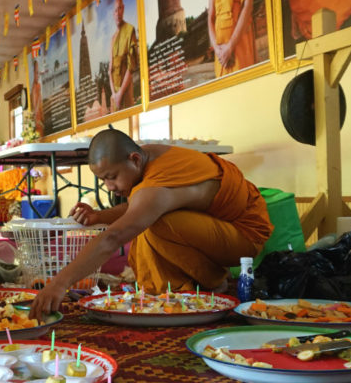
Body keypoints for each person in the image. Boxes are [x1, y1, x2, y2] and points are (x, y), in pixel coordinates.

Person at [30, 129, 273, 318]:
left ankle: (208, 283)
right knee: (151, 219)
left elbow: (116, 235)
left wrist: (60, 283)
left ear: (134, 159)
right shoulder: (149, 157)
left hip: (244, 238)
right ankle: (189, 284)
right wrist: (100, 216)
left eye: (111, 177)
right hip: (216, 228)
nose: (110, 187)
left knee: (154, 223)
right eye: (103, 180)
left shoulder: (156, 184)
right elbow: (145, 204)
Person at [108, 0, 140, 112]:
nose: (118, 13)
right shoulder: (112, 39)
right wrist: (114, 94)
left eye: (120, 8)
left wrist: (120, 93)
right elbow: (109, 70)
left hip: (125, 93)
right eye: (115, 10)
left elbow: (131, 67)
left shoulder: (129, 30)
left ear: (123, 8)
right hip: (115, 95)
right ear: (113, 13)